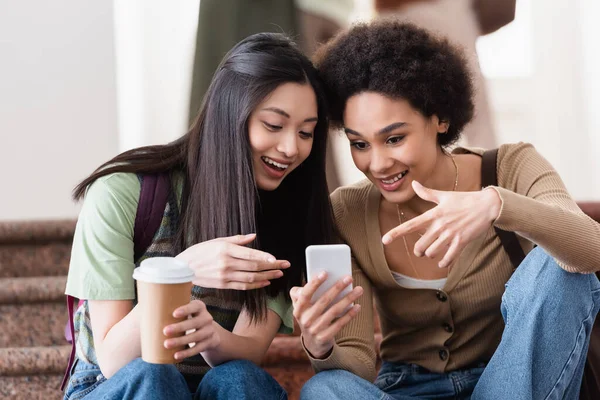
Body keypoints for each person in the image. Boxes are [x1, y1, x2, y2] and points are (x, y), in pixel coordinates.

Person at [292, 20, 600, 399]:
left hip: (509, 384)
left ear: (440, 118)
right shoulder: (347, 211)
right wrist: (320, 345)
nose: (378, 163)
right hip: (405, 389)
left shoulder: (512, 166)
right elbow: (356, 366)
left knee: (560, 265)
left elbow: (591, 250)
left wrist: (496, 204)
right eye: (360, 144)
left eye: (394, 138)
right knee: (327, 389)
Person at [63, 32, 336, 400]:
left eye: (306, 133)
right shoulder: (124, 192)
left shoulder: (288, 212)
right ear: (229, 114)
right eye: (274, 125)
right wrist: (181, 272)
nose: (291, 148)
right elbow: (114, 360)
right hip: (116, 384)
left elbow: (251, 350)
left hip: (209, 386)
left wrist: (213, 338)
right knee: (154, 377)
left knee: (241, 378)